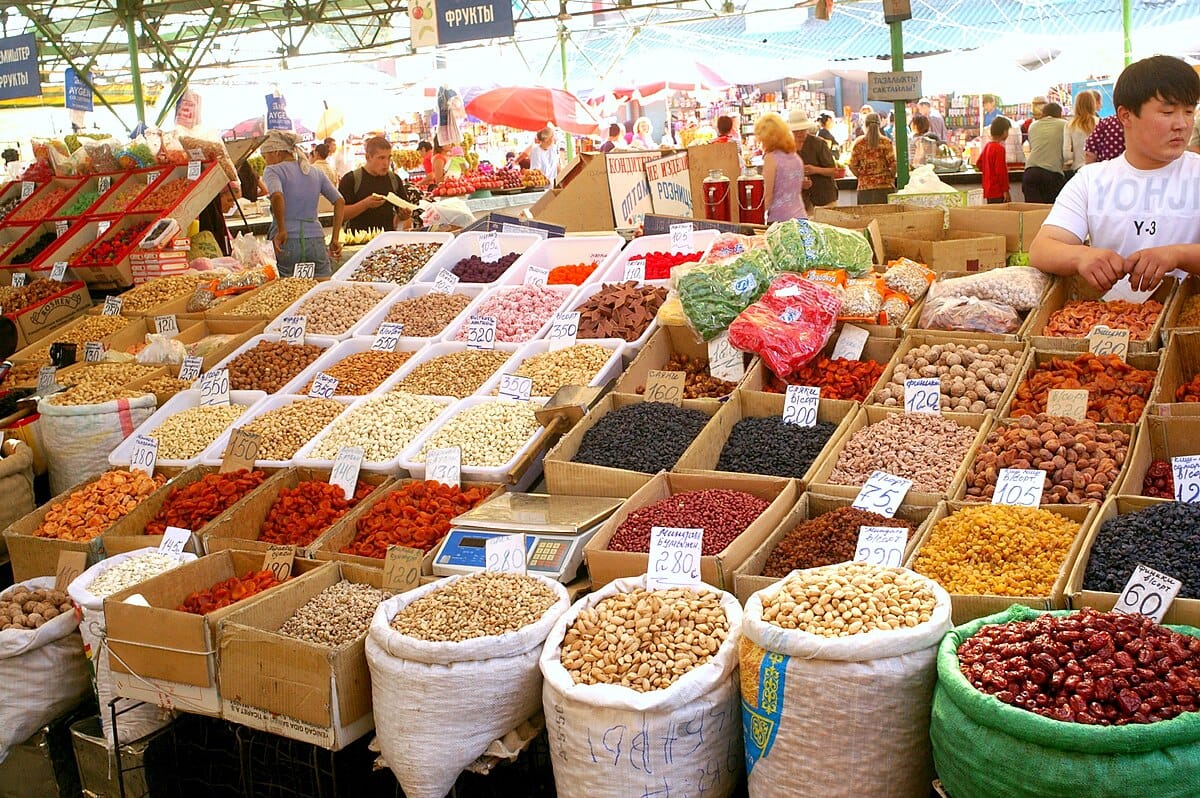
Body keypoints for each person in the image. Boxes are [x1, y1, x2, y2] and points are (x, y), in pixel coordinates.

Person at [1028, 55, 1200, 294]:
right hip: (1110, 321)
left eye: (1189, 111)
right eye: (1168, 112)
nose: (1181, 123)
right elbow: (1042, 249)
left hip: (1185, 323)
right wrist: (1081, 256)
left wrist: (1178, 254)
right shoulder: (1091, 180)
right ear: (1126, 115)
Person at [260, 130, 344, 278]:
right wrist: (335, 238)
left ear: (277, 152)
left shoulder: (272, 170)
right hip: (316, 241)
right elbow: (339, 201)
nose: (265, 160)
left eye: (265, 155)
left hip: (287, 243)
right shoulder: (315, 172)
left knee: (287, 291)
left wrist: (282, 230)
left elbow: (277, 196)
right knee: (320, 288)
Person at [337, 135, 412, 234]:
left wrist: (404, 214)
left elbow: (402, 214)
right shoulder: (351, 179)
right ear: (368, 157)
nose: (386, 163)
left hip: (386, 239)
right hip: (357, 241)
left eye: (389, 158)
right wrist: (365, 204)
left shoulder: (394, 179)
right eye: (381, 158)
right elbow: (340, 215)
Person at [754, 112, 807, 223]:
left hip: (780, 219)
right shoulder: (796, 157)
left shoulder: (771, 158)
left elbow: (768, 195)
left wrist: (755, 216)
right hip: (801, 216)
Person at [788, 109, 838, 211]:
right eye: (796, 131)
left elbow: (833, 170)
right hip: (800, 202)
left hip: (824, 198)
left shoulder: (819, 144)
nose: (799, 133)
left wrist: (815, 170)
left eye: (802, 130)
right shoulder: (785, 148)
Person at [1023, 102, 1068, 203]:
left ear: (1043, 113)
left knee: (1033, 213)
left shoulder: (1032, 126)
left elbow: (1033, 147)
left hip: (1030, 172)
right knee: (1051, 213)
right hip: (1052, 174)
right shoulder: (1064, 125)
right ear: (1060, 114)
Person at [848, 112, 896, 205]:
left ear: (865, 125)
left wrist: (861, 176)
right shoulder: (886, 142)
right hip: (885, 186)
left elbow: (852, 165)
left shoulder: (859, 143)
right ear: (879, 124)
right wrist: (890, 176)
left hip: (865, 188)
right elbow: (893, 165)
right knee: (885, 217)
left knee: (867, 218)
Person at [1063, 91, 1099, 176]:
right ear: (1092, 104)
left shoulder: (1069, 125)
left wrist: (1076, 156)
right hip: (1096, 169)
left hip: (1079, 169)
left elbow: (1066, 155)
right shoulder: (1099, 122)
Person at [978, 116, 1012, 204]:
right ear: (1004, 132)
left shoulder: (987, 146)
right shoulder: (999, 149)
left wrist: (989, 172)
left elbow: (979, 163)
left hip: (988, 189)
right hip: (998, 190)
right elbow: (1001, 172)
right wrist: (1006, 191)